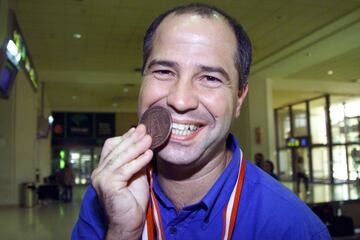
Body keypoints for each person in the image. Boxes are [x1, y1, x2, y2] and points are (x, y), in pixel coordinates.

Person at [72, 3, 330, 239]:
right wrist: (122, 231)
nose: (181, 100)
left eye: (210, 78)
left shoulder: (292, 227)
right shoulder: (106, 194)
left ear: (239, 98)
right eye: (163, 71)